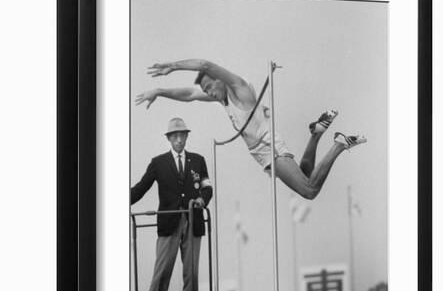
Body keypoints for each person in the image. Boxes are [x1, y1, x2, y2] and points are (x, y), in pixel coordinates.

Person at [135, 59, 367, 200]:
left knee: (309, 191)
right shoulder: (221, 98)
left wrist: (173, 66)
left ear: (219, 80)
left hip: (269, 149)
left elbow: (205, 65)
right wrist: (159, 91)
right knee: (306, 173)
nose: (209, 93)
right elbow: (188, 95)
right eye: (205, 90)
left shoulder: (239, 89)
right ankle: (316, 133)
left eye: (209, 87)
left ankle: (338, 144)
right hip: (266, 151)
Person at [131, 117, 213, 291]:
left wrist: (201, 200)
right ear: (169, 139)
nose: (178, 139)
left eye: (182, 135)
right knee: (162, 270)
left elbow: (207, 188)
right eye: (174, 136)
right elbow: (141, 187)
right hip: (169, 222)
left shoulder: (198, 160)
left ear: (186, 136)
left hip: (193, 221)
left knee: (191, 273)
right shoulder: (158, 163)